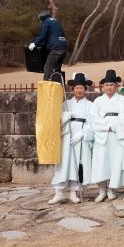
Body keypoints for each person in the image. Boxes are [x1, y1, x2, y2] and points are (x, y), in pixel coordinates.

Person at [48, 73, 93, 204]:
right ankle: (59, 192)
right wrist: (64, 117)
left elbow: (92, 122)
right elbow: (55, 121)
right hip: (67, 137)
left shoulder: (90, 105)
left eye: (81, 88)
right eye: (77, 88)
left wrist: (83, 133)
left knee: (78, 164)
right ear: (73, 89)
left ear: (85, 89)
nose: (79, 90)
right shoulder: (65, 104)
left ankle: (74, 192)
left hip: (81, 139)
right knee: (63, 164)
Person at [89, 69, 124, 202]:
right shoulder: (98, 101)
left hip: (117, 135)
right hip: (102, 136)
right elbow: (93, 118)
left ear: (116, 86)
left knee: (114, 163)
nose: (109, 87)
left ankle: (111, 189)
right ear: (103, 87)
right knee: (101, 163)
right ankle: (102, 190)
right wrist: (107, 126)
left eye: (111, 85)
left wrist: (115, 126)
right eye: (106, 85)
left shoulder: (122, 100)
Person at [28, 10, 69, 81]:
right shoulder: (54, 21)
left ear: (41, 17)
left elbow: (43, 36)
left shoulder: (46, 22)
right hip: (63, 47)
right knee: (56, 69)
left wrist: (34, 44)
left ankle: (46, 85)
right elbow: (53, 35)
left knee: (47, 68)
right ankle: (59, 85)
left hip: (56, 48)